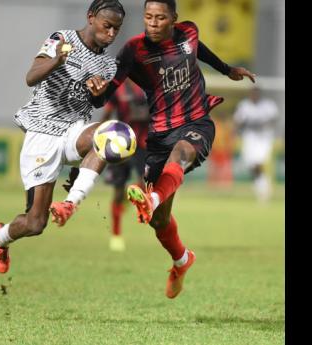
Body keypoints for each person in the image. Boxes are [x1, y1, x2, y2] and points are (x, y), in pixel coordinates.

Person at [85, 0, 256, 298]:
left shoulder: (188, 32)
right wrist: (97, 93)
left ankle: (151, 197)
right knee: (159, 220)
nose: (152, 22)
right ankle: (181, 260)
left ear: (174, 19)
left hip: (196, 122)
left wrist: (227, 70)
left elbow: (197, 48)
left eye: (160, 17)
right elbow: (105, 97)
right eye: (148, 17)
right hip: (159, 134)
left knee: (182, 153)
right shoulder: (133, 50)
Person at [0, 0, 125, 274]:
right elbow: (31, 77)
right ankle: (0, 238)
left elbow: (96, 104)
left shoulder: (109, 65)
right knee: (35, 223)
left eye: (116, 30)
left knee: (111, 133)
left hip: (73, 130)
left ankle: (71, 202)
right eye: (107, 26)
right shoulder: (61, 39)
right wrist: (57, 60)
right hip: (42, 132)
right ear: (91, 17)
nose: (111, 34)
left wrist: (97, 93)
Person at [100, 78, 150, 252]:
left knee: (145, 185)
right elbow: (108, 112)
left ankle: (131, 197)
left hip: (144, 143)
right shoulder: (118, 88)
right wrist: (98, 132)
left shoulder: (151, 83)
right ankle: (116, 234)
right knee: (118, 190)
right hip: (120, 142)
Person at [233, 86, 278, 202]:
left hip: (263, 138)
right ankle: (261, 186)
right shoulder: (244, 106)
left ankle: (263, 189)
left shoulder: (268, 105)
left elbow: (274, 119)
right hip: (250, 138)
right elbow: (238, 122)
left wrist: (263, 124)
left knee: (259, 163)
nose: (254, 96)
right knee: (251, 165)